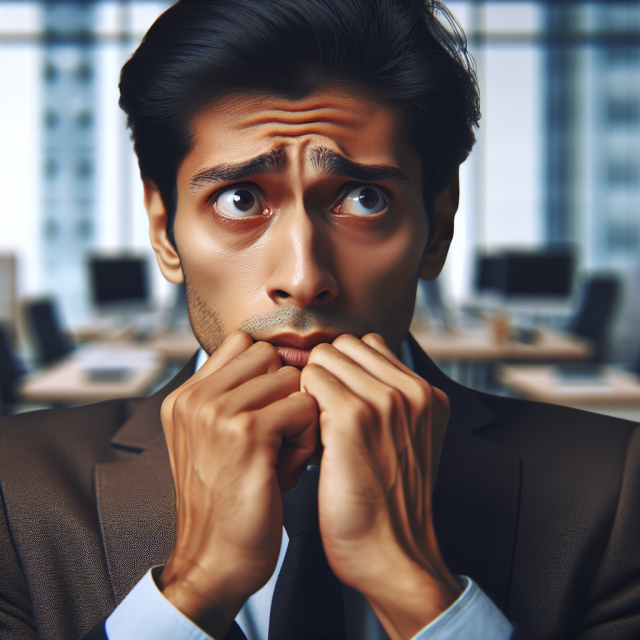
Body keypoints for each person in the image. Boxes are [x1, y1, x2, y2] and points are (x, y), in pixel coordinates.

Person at [1, 1, 639, 639]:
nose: (304, 278)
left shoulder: (615, 492)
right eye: (239, 199)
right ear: (165, 230)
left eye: (364, 199)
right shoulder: (14, 485)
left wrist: (415, 587)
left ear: (438, 227)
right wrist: (193, 587)